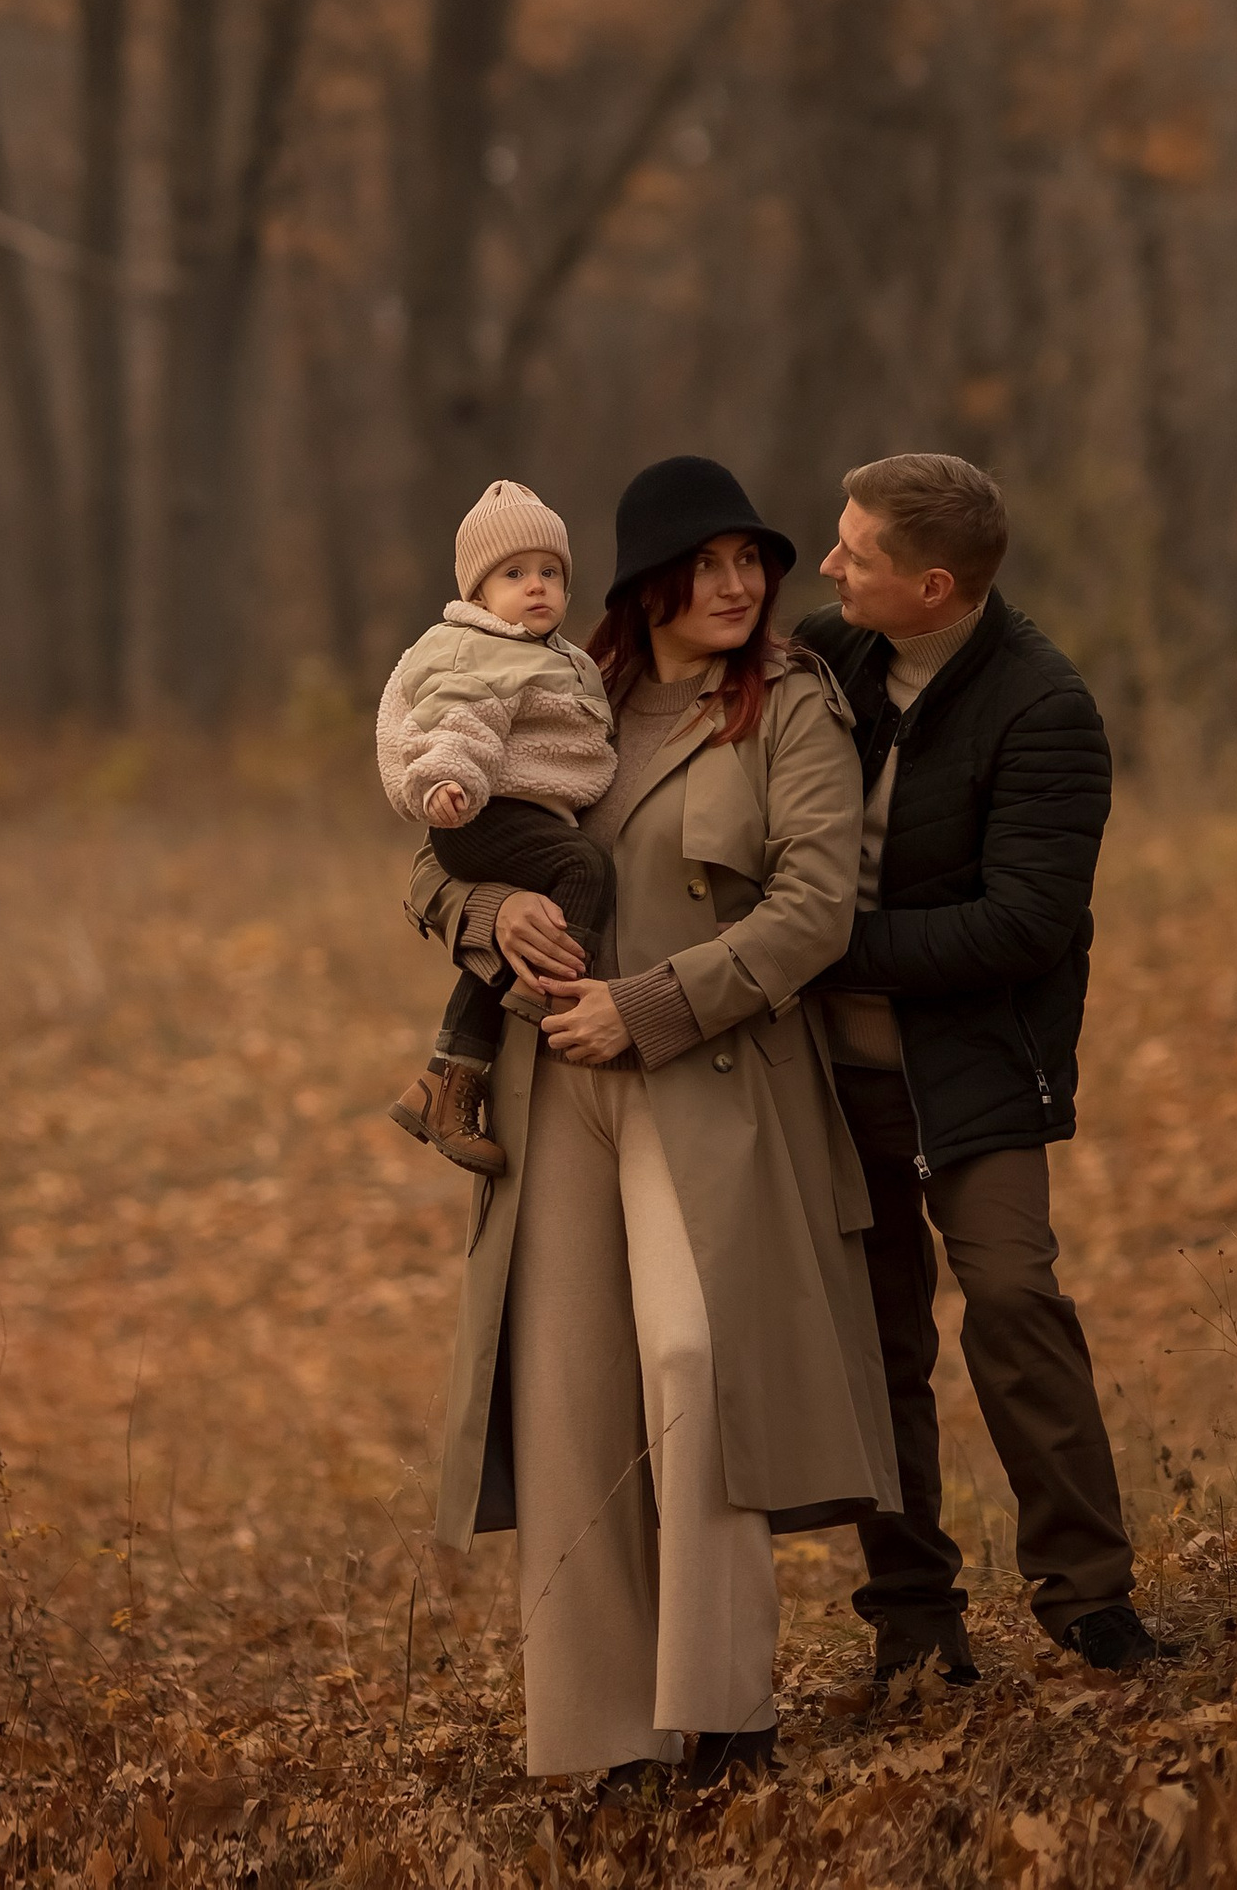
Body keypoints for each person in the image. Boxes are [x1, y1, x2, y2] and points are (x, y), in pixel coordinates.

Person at [415, 455, 899, 1788]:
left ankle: (727, 1706)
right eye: (712, 562)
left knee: (696, 1362)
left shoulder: (791, 703)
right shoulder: (565, 684)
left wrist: (654, 1004)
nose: (739, 583)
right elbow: (433, 846)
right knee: (574, 1399)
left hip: (712, 1074)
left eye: (755, 560)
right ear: (650, 581)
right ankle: (601, 1738)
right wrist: (486, 913)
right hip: (551, 1078)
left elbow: (814, 908)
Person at [796, 449, 1153, 1683]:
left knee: (1011, 1303)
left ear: (935, 587)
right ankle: (908, 1610)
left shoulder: (1043, 707)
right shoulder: (824, 655)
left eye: (857, 553)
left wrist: (821, 947)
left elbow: (1025, 924)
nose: (829, 562)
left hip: (976, 1070)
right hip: (826, 1078)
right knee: (875, 1337)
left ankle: (1090, 1598)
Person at [377, 478, 616, 1177]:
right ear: (479, 594)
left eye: (550, 572)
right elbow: (464, 723)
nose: (536, 586)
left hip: (507, 811)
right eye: (514, 574)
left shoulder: (556, 656)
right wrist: (449, 781)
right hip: (477, 809)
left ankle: (443, 1084)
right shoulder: (481, 651)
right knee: (585, 870)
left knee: (530, 920)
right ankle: (540, 999)